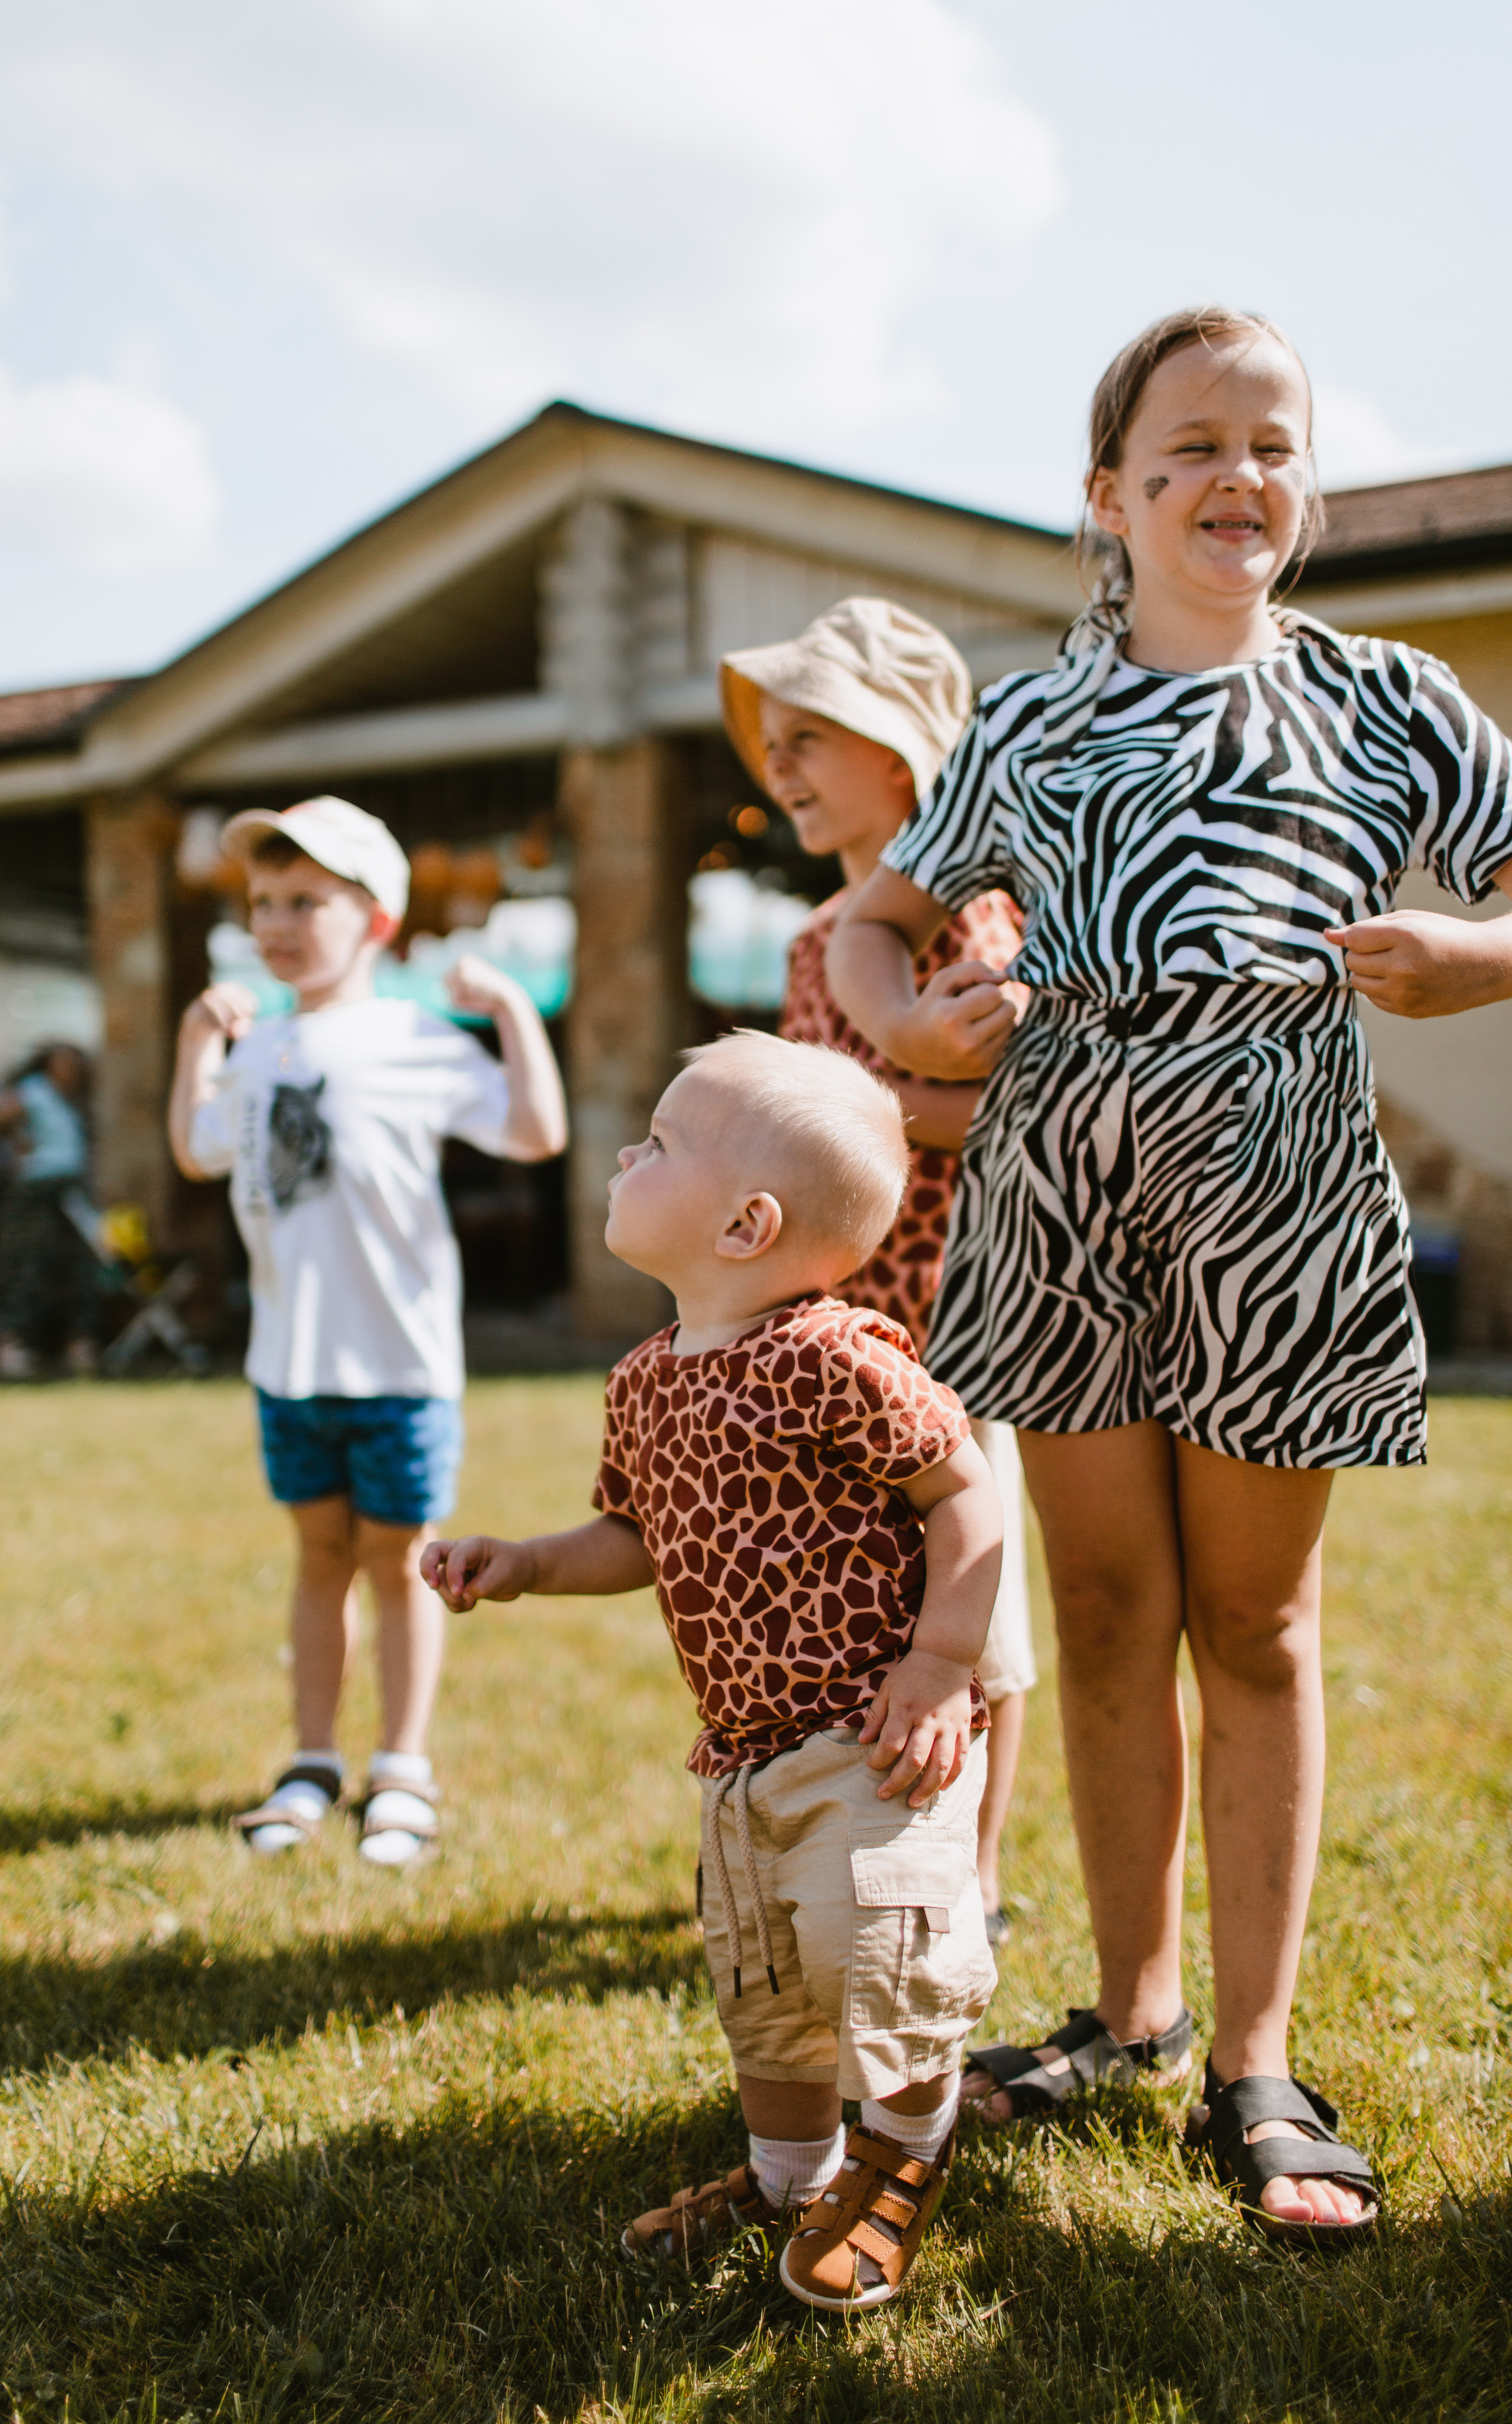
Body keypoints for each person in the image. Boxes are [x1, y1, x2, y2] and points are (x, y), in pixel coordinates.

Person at [826, 305, 1512, 2249]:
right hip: (1062, 1188)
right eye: (1193, 445)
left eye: (1274, 444)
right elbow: (872, 926)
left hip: (1281, 1192)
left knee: (1257, 1622)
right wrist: (915, 1026)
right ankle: (1132, 2015)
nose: (1240, 476)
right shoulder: (1029, 722)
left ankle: (1256, 2059)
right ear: (1110, 496)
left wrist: (1478, 959)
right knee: (1110, 1605)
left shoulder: (1388, 699)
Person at [425, 1031, 1004, 2312]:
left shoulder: (838, 1355)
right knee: (766, 1988)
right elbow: (634, 1535)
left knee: (881, 1964)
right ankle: (789, 2174)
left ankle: (903, 2157)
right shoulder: (645, 1380)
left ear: (746, 1225)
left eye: (658, 1144)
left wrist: (940, 1663)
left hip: (870, 1739)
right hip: (741, 1754)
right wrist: (526, 1563)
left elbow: (966, 1498)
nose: (624, 1156)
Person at [168, 795, 567, 1868]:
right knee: (318, 1558)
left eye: (307, 901)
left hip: (399, 1365)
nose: (276, 922)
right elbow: (199, 1150)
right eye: (263, 902)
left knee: (398, 1565)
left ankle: (402, 1766)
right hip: (288, 1365)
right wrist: (196, 1045)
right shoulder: (257, 1047)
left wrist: (511, 1010)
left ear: (378, 920)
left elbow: (536, 1131)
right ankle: (312, 1761)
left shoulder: (413, 1039)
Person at [719, 598, 1037, 1945]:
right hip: (842, 1330)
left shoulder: (972, 921)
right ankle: (858, 1841)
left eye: (810, 737)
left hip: (959, 1324)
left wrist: (852, 1110)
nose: (777, 764)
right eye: (773, 740)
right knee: (865, 1599)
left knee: (975, 1603)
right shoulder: (814, 943)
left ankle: (977, 1875)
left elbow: (1021, 1102)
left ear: (900, 761)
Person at [0, 1042, 102, 1378]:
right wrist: (17, 1137)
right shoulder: (34, 1089)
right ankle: (10, 1342)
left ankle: (78, 1342)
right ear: (49, 1066)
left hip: (72, 1186)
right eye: (64, 1064)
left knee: (79, 1262)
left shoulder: (73, 1100)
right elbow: (0, 1115)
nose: (71, 1071)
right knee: (28, 1259)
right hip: (39, 1186)